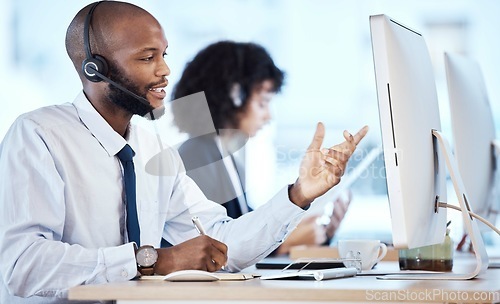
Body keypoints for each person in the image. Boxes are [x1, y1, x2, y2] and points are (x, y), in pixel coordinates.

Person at [0, 1, 368, 303]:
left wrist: (298, 193)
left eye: (163, 55)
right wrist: (153, 261)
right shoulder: (39, 135)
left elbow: (224, 246)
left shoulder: (151, 150)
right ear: (95, 69)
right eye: (147, 58)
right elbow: (22, 266)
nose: (165, 71)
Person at [171, 41, 351, 255]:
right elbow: (215, 248)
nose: (268, 116)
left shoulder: (224, 156)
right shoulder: (198, 156)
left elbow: (244, 228)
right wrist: (283, 244)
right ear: (234, 96)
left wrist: (321, 234)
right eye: (263, 103)